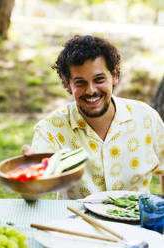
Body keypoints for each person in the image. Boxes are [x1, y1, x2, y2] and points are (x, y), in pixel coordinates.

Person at [23, 35, 164, 199]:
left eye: (99, 79)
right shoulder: (51, 129)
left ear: (115, 75)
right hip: (76, 222)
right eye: (80, 82)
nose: (91, 90)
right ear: (67, 84)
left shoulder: (146, 118)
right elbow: (31, 194)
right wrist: (30, 174)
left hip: (135, 222)